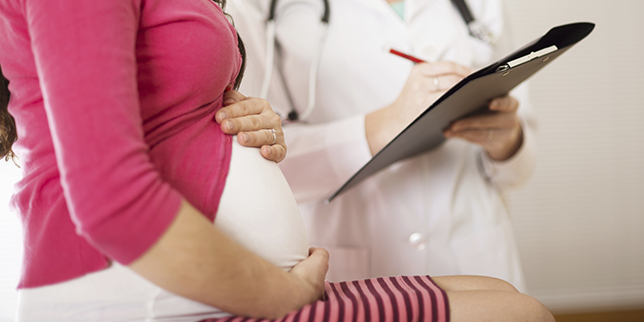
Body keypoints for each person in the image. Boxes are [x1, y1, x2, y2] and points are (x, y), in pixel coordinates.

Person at [0, 0, 553, 321]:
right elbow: (110, 193)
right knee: (516, 316)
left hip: (226, 276)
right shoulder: (272, 8)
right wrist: (387, 122)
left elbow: (186, 111)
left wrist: (508, 141)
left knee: (511, 302)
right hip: (166, 288)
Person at [226, 0, 536, 291]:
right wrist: (387, 124)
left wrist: (508, 140)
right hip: (352, 265)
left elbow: (519, 171)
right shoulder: (258, 7)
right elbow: (258, 154)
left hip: (473, 255)